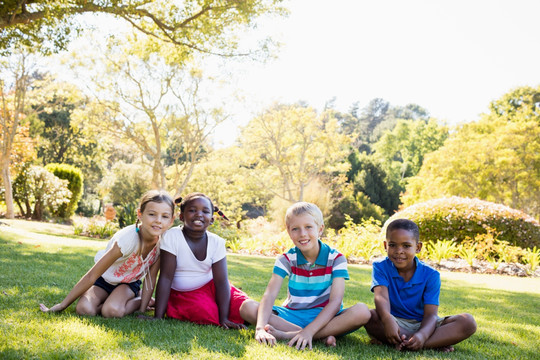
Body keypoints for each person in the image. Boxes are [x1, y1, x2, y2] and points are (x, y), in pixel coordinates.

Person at [240, 202, 371, 350]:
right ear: (289, 232)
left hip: (326, 317)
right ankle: (321, 336)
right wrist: (259, 329)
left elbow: (335, 302)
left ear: (320, 229)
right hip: (292, 315)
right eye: (295, 229)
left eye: (308, 227)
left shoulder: (336, 259)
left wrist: (309, 330)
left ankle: (291, 335)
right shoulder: (286, 259)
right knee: (247, 307)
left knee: (362, 311)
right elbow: (270, 295)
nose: (302, 234)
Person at [40, 190, 174, 318]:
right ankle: (113, 299)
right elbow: (92, 275)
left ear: (171, 220)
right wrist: (62, 305)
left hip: (127, 284)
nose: (158, 220)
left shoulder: (164, 244)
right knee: (84, 310)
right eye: (152, 214)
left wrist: (142, 309)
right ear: (140, 214)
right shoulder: (126, 240)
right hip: (104, 281)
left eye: (164, 216)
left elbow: (150, 279)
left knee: (112, 311)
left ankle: (139, 299)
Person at [365, 218, 477, 352]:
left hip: (424, 324)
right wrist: (388, 319)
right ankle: (432, 343)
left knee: (468, 322)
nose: (399, 251)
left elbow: (430, 315)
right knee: (370, 315)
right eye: (393, 245)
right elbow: (381, 297)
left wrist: (422, 335)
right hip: (394, 322)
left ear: (418, 247)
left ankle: (412, 342)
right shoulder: (380, 267)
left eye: (406, 246)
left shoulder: (431, 275)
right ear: (385, 246)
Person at [153, 192, 248, 329]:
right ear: (181, 216)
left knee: (248, 307)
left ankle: (281, 326)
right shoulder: (172, 236)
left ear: (212, 219)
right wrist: (158, 316)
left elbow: (221, 282)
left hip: (211, 287)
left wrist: (224, 318)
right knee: (207, 312)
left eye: (205, 211)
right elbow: (166, 277)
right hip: (185, 294)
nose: (199, 214)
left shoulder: (217, 242)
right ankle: (225, 315)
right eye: (192, 210)